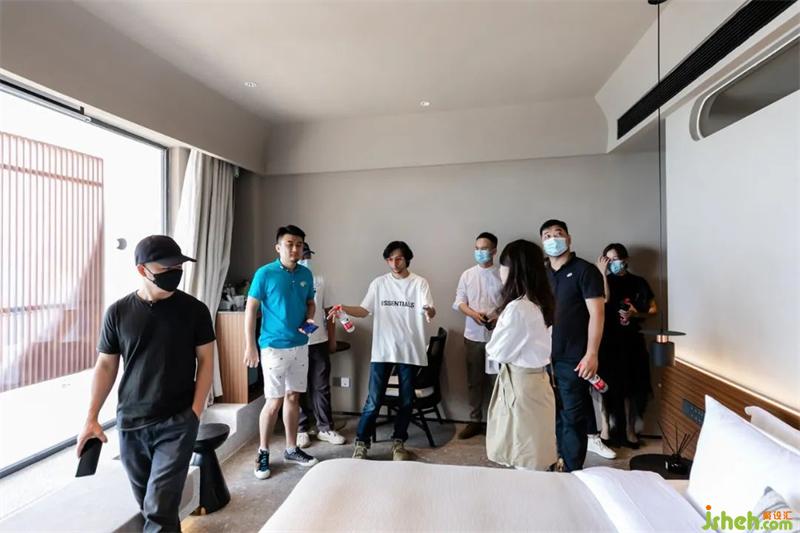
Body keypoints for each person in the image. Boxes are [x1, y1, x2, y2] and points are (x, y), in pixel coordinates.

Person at [77, 235, 215, 532]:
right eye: (166, 267)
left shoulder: (195, 310)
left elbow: (206, 361)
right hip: (131, 424)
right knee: (152, 506)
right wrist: (91, 417)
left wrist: (195, 412)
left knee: (159, 506)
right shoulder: (118, 312)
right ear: (142, 269)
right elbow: (106, 365)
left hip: (177, 420)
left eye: (178, 266)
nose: (175, 272)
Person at [329, 241, 435, 461]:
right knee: (374, 400)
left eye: (399, 258)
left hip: (409, 350)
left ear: (407, 259)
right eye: (390, 259)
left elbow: (429, 308)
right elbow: (364, 310)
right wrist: (343, 307)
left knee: (406, 401)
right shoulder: (379, 283)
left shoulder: (419, 283)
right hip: (383, 350)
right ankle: (361, 443)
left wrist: (429, 311)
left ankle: (398, 443)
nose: (394, 263)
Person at [244, 225, 319, 480]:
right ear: (278, 247)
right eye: (289, 244)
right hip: (273, 346)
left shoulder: (306, 274)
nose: (295, 248)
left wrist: (310, 318)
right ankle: (263, 452)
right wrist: (250, 345)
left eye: (299, 244)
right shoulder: (264, 274)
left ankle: (291, 448)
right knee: (273, 401)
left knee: (293, 397)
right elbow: (251, 309)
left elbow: (310, 302)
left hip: (300, 345)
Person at [540, 219, 612, 471]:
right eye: (547, 236)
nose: (553, 239)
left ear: (569, 239)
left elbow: (597, 314)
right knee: (553, 412)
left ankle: (572, 470)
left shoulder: (585, 271)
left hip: (575, 357)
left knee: (573, 415)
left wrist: (592, 353)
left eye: (558, 234)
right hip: (545, 357)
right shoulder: (542, 273)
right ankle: (559, 460)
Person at [485, 240, 558, 470]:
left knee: (525, 456)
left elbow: (497, 351)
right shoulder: (538, 302)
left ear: (515, 269)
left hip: (522, 386)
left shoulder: (518, 307)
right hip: (535, 381)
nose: (500, 270)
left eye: (503, 265)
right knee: (533, 451)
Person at [596, 243, 657, 447]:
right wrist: (602, 273)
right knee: (605, 384)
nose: (613, 263)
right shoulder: (601, 280)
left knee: (632, 385)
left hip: (631, 339)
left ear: (625, 259)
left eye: (616, 259)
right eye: (609, 260)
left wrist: (635, 313)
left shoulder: (638, 282)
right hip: (607, 339)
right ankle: (605, 428)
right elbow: (604, 301)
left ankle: (630, 430)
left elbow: (653, 310)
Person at [453, 232, 503, 439]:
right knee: (474, 381)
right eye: (477, 248)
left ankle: (497, 422)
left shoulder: (502, 273)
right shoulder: (467, 275)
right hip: (473, 336)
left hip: (497, 338)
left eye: (484, 248)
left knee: (496, 381)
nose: (480, 252)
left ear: (494, 250)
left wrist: (497, 316)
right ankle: (474, 420)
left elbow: (511, 301)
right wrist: (473, 314)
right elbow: (459, 301)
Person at [296, 242, 346, 447]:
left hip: (319, 341)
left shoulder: (320, 280)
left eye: (308, 255)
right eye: (302, 255)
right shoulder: (287, 280)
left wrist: (332, 339)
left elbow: (330, 312)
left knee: (321, 386)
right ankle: (301, 429)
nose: (305, 259)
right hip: (295, 343)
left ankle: (325, 428)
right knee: (297, 388)